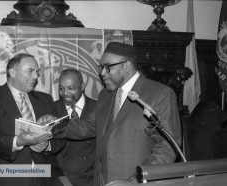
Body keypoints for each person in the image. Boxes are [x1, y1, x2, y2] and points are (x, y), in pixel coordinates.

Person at [63, 42, 181, 185]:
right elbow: (87, 126)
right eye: (101, 67)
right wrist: (49, 128)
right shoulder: (105, 95)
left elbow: (167, 148)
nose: (102, 73)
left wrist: (134, 180)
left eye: (108, 67)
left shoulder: (160, 94)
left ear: (126, 65)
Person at [0, 53, 54, 186]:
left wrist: (47, 145)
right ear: (12, 72)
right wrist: (17, 142)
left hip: (44, 178)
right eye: (30, 71)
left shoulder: (45, 99)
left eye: (37, 72)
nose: (36, 76)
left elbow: (61, 136)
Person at [53, 68, 96, 186]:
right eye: (61, 88)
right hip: (60, 181)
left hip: (89, 181)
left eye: (71, 88)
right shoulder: (51, 109)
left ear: (82, 86)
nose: (65, 93)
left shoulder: (97, 108)